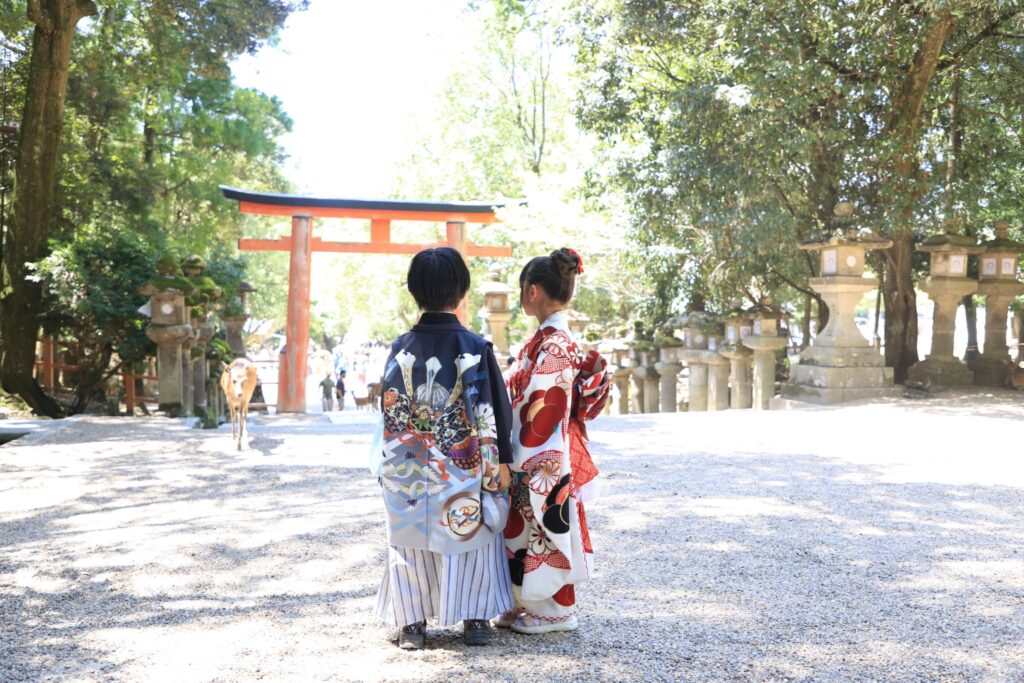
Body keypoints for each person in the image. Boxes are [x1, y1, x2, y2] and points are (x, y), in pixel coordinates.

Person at [373, 247, 514, 650]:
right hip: (463, 459)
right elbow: (493, 410)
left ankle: (412, 623)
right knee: (471, 529)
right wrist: (500, 461)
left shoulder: (400, 347)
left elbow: (390, 411)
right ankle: (475, 619)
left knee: (410, 534)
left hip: (409, 459)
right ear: (462, 291)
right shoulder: (475, 346)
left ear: (415, 292)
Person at [496, 248, 611, 634]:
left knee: (544, 524)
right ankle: (523, 602)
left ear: (533, 291)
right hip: (541, 444)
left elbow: (541, 405)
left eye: (522, 288)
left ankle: (555, 612)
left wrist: (517, 453)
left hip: (543, 449)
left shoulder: (554, 344)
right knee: (529, 528)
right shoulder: (549, 339)